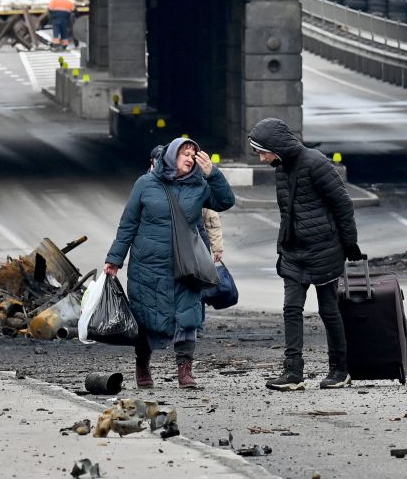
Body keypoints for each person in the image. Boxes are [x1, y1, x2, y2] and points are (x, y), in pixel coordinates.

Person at [105, 137, 235, 389]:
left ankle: (185, 371)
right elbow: (128, 224)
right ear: (170, 156)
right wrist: (114, 259)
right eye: (184, 153)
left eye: (193, 154)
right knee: (145, 317)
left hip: (186, 266)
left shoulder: (198, 185)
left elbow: (225, 201)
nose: (189, 158)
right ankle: (142, 365)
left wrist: (213, 174)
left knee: (188, 317)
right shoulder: (145, 184)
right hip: (148, 266)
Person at [247, 118, 362, 391]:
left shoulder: (316, 163)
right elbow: (287, 213)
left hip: (324, 249)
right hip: (294, 251)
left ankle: (340, 369)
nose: (262, 158)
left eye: (263, 151)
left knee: (329, 310)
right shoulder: (281, 169)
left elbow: (343, 204)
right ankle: (293, 373)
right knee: (291, 309)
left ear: (277, 147)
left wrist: (350, 244)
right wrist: (281, 247)